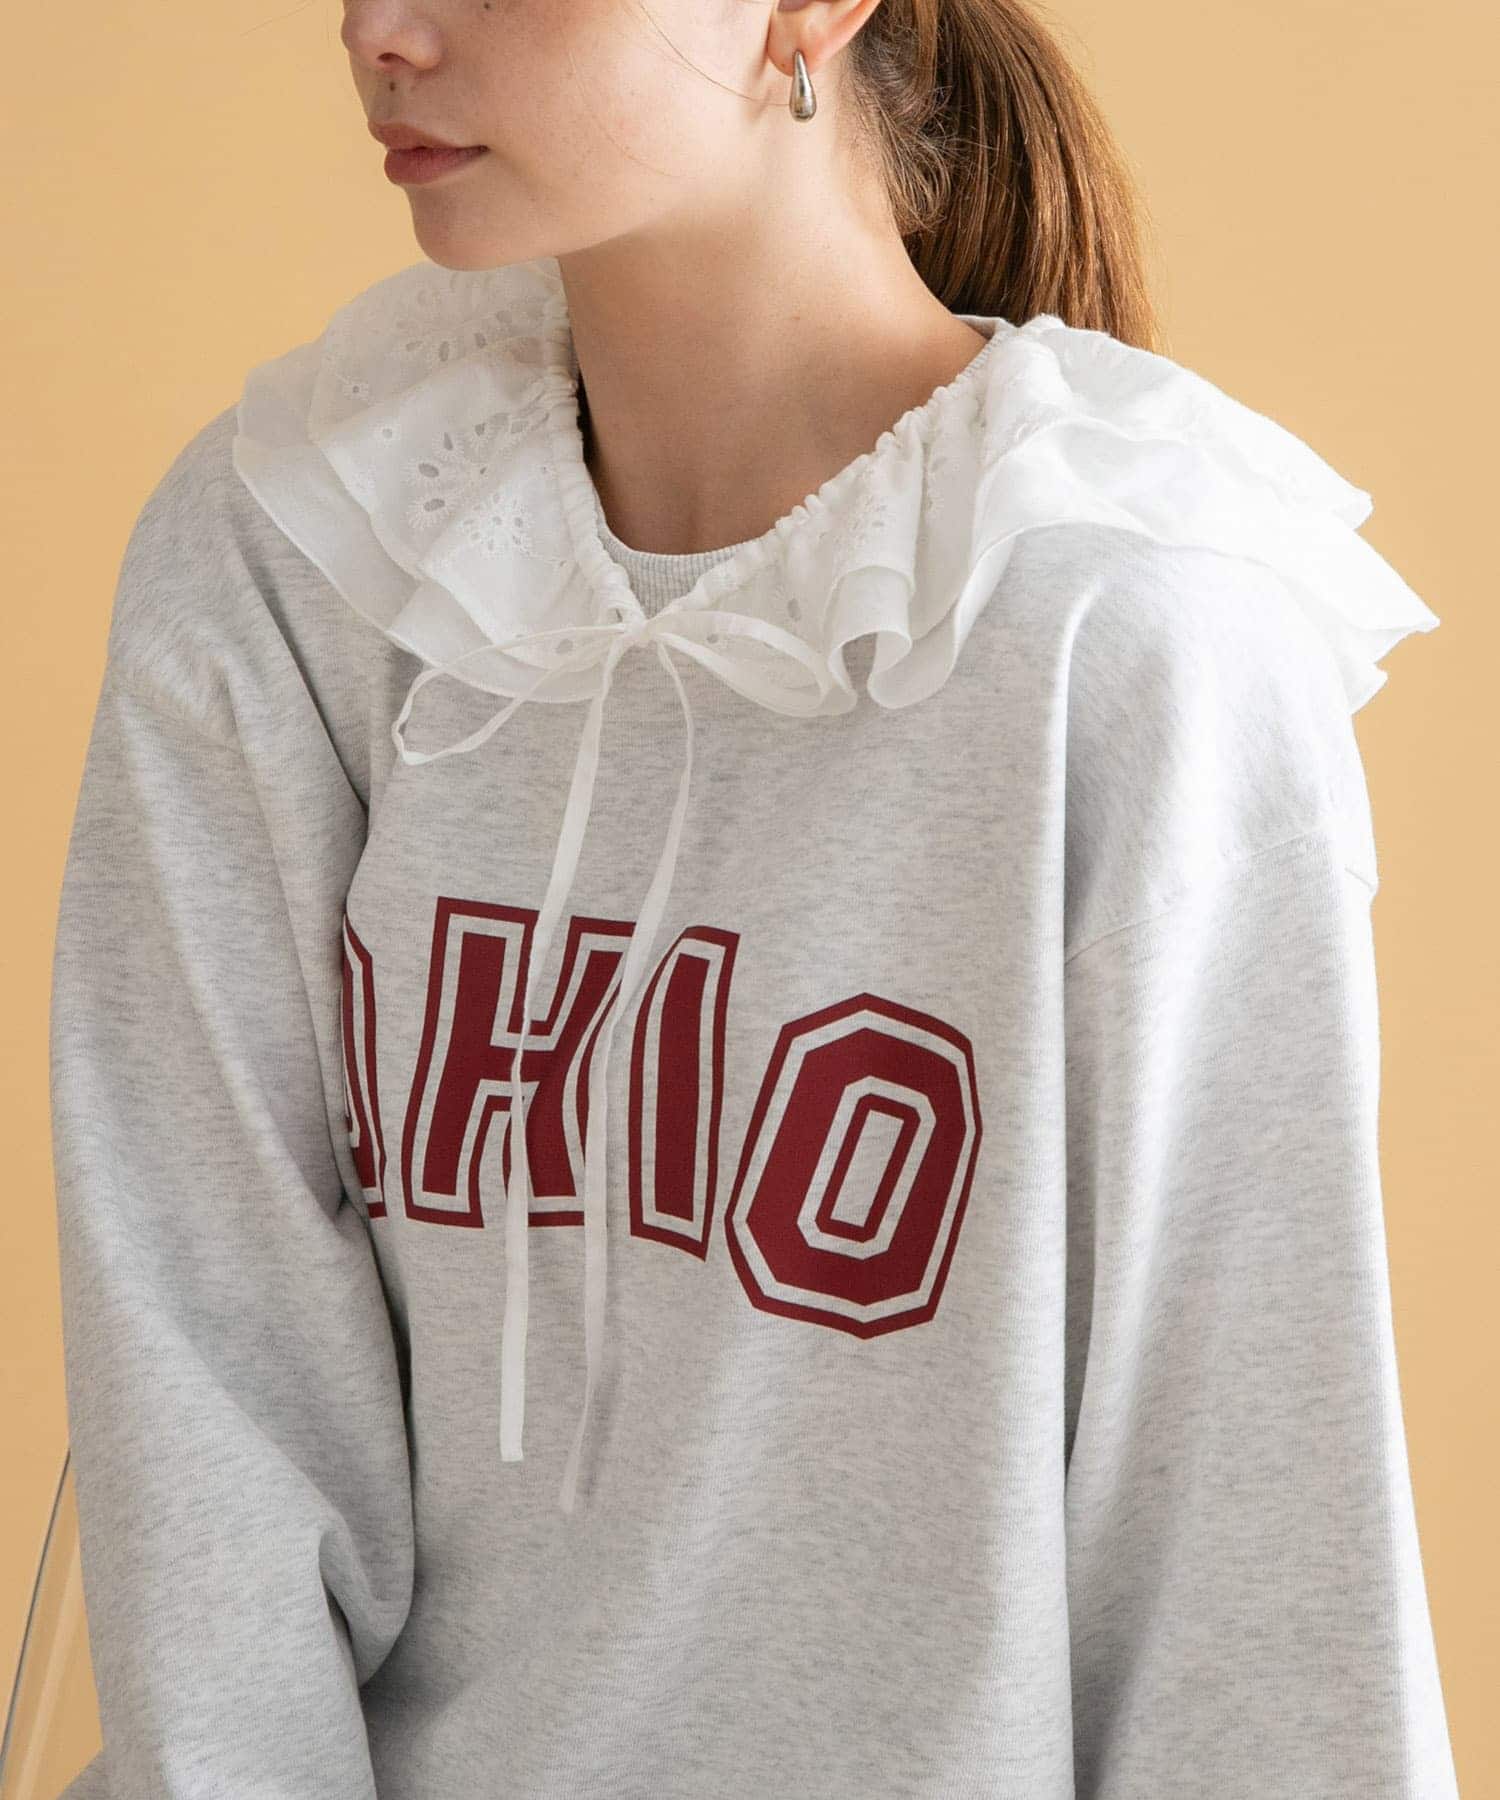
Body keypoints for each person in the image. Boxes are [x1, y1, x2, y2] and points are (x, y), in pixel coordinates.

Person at [45, 0, 1461, 1793]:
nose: (379, 29)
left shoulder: (1134, 644)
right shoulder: (296, 563)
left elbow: (1258, 1578)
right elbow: (208, 1413)